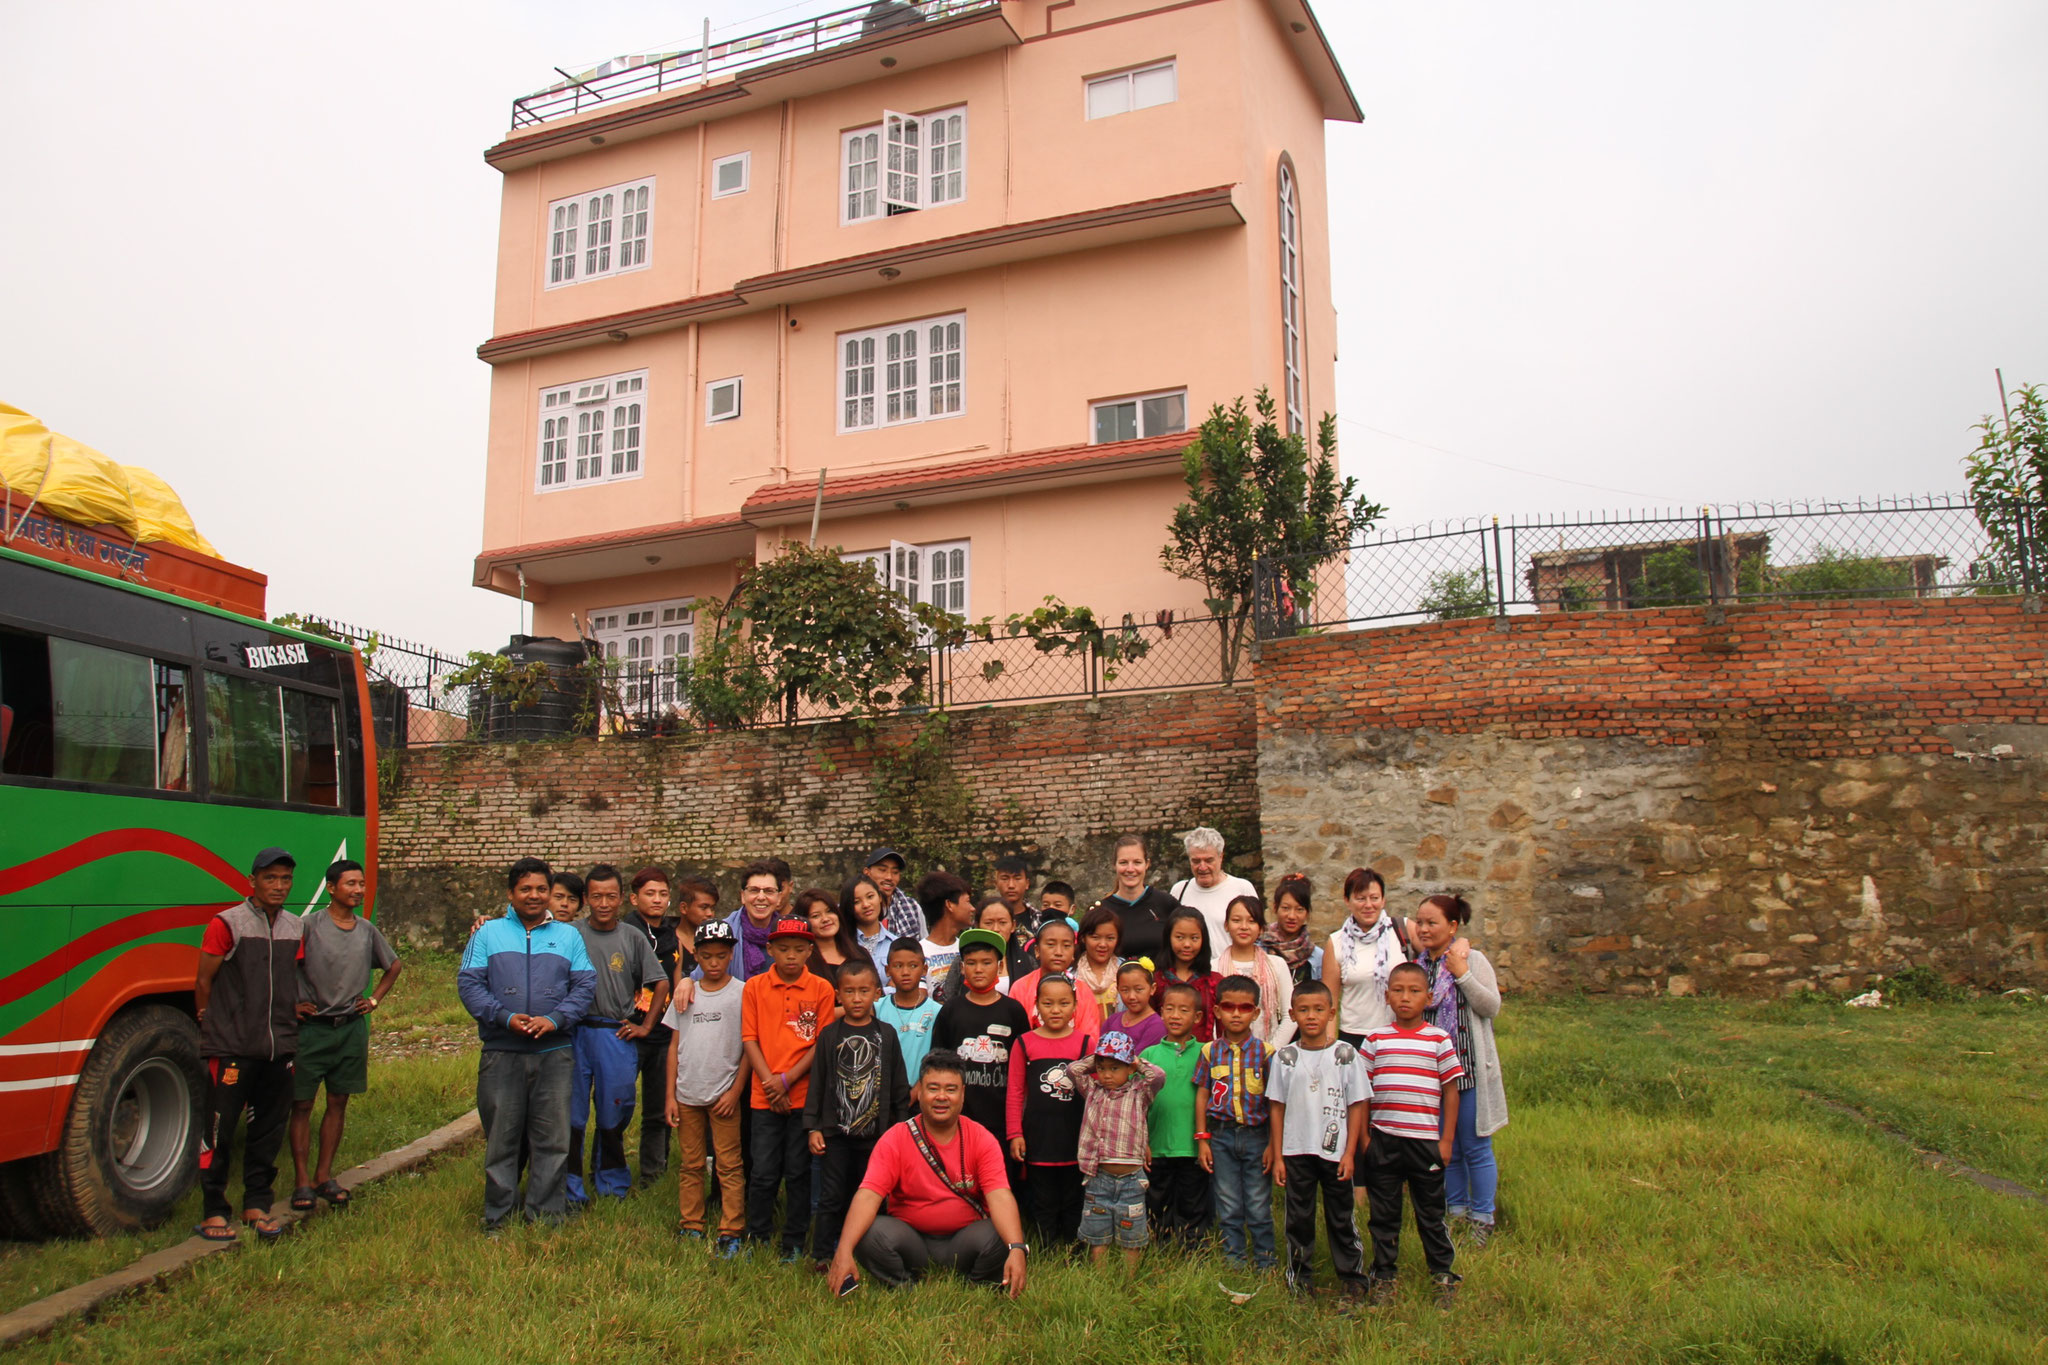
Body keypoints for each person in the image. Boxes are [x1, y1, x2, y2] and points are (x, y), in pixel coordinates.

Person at [458, 857, 596, 1232]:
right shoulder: (487, 934)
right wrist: (504, 1017)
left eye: (541, 889)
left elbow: (585, 986)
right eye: (525, 889)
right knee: (501, 1138)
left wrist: (554, 1020)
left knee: (552, 1139)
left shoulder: (569, 937)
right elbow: (469, 984)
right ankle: (498, 1217)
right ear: (510, 893)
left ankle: (547, 1215)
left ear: (550, 893)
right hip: (502, 1052)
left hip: (554, 1052)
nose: (534, 896)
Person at [824, 1050, 1029, 1296]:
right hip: (911, 1241)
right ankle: (906, 1287)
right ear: (919, 1092)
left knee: (1001, 1234)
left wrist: (1017, 1248)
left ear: (963, 1094)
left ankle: (974, 1286)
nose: (941, 1097)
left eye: (951, 1089)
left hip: (966, 1240)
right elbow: (868, 1195)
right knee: (869, 1233)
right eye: (933, 1088)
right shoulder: (896, 1138)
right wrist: (843, 1251)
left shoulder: (982, 1138)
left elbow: (1000, 1196)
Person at [193, 847, 308, 1242]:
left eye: (286, 879)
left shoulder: (296, 926)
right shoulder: (228, 923)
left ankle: (257, 1205)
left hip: (279, 1048)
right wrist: (210, 1021)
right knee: (220, 1130)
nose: (279, 886)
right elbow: (204, 979)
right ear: (252, 881)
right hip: (232, 1046)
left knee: (268, 1132)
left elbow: (292, 979)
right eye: (271, 878)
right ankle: (213, 1211)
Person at [288, 857, 403, 1213]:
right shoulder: (307, 927)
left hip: (349, 1029)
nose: (357, 890)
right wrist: (293, 1003)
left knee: (339, 1101)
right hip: (311, 1031)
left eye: (361, 884)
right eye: (350, 884)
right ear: (331, 887)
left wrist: (373, 999)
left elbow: (393, 965)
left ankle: (325, 1176)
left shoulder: (366, 930)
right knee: (303, 1104)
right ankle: (301, 1181)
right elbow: (283, 966)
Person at [1360, 962, 1464, 1307]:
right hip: (1384, 1140)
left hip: (1425, 1143)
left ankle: (1442, 1273)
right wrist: (1364, 1140)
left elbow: (1451, 1091)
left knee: (1431, 1211)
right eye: (1398, 990)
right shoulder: (1375, 1039)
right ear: (1387, 995)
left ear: (1428, 997)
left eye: (1415, 991)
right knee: (1384, 1212)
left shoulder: (1439, 1039)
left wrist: (1445, 1141)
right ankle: (1384, 1273)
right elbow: (1361, 1093)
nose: (1406, 997)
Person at [1409, 894, 1506, 1250]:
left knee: (1475, 1145)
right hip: (1433, 1077)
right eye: (1421, 922)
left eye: (1432, 922)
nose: (1424, 928)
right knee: (1443, 1149)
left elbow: (1491, 1006)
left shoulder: (1472, 960)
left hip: (1469, 1072)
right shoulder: (1418, 966)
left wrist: (1462, 975)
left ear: (1453, 926)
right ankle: (1456, 1209)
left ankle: (1483, 1217)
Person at [741, 916, 839, 1259]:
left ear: (810, 951)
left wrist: (787, 1081)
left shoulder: (822, 989)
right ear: (770, 950)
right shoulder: (754, 987)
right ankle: (757, 1235)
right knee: (764, 1170)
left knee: (798, 1171)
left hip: (803, 1095)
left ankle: (794, 1241)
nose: (791, 956)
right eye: (783, 949)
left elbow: (820, 1043)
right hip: (763, 1094)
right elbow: (749, 1039)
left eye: (799, 949)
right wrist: (771, 1083)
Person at [567, 870, 668, 1202]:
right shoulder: (571, 934)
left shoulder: (632, 937)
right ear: (586, 899)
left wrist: (646, 1025)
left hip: (615, 1033)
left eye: (611, 896)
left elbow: (661, 981)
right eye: (596, 896)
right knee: (573, 1112)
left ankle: (610, 1180)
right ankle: (569, 1186)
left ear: (622, 897)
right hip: (575, 1032)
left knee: (615, 1109)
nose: (604, 903)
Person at [1268, 980, 1371, 1302]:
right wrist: (1280, 1156)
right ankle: (1300, 1279)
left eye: (1318, 1010)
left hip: (1336, 1153)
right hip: (1297, 1150)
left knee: (1341, 1216)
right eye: (1303, 1010)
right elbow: (1276, 1106)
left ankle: (1352, 1278)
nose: (1311, 1017)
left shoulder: (1346, 1055)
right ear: (1292, 1014)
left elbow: (1357, 1105)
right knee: (1298, 1218)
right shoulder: (1285, 1057)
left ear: (1331, 1012)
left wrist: (1350, 1153)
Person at [806, 960, 911, 1262]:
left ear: (877, 993)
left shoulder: (887, 1035)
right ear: (838, 995)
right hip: (836, 1134)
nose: (856, 998)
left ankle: (870, 1252)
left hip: (876, 1136)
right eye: (849, 992)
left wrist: (899, 1128)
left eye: (863, 991)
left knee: (873, 1195)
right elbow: (817, 1083)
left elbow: (899, 1087)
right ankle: (824, 1255)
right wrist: (813, 1127)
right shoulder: (829, 1035)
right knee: (831, 1196)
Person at [663, 920, 748, 1254]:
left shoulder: (741, 994)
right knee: (692, 1163)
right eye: (707, 956)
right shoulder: (687, 992)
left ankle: (731, 1228)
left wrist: (735, 1092)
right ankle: (691, 1224)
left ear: (731, 955)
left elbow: (748, 1048)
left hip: (724, 1093)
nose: (714, 963)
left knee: (729, 1164)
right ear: (695, 955)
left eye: (721, 956)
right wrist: (669, 1095)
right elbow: (674, 1046)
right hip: (687, 1094)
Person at [1067, 1031, 1166, 1273]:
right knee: (1097, 1232)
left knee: (1131, 1234)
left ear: (1128, 1069)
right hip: (1098, 1178)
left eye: (1114, 1068)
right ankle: (1101, 1278)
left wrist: (1134, 1061)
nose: (1107, 1075)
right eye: (1102, 1068)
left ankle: (1128, 1279)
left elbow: (1159, 1076)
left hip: (1131, 1179)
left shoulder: (1139, 1092)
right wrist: (1098, 1057)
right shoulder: (1093, 1090)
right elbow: (1073, 1071)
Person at [1198, 976, 1277, 1270]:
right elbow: (1202, 1094)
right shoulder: (1209, 1052)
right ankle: (1234, 1261)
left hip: (1257, 1137)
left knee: (1258, 1203)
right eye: (1228, 1007)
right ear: (1217, 1010)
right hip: (1221, 1136)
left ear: (1255, 1013)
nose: (1235, 1014)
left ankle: (1265, 1262)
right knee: (1228, 1202)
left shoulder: (1267, 1054)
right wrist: (1202, 1138)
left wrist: (1273, 1144)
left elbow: (1275, 1101)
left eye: (1244, 1008)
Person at [1005, 975, 1090, 1246]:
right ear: (1036, 1005)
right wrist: (1015, 1134)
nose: (1056, 1010)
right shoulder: (1024, 1043)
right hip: (1038, 1137)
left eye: (1064, 1003)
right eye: (1048, 1003)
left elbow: (1095, 1096)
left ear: (1075, 1006)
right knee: (1043, 1199)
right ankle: (1046, 1249)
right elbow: (1016, 1092)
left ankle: (1073, 1249)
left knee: (1073, 1198)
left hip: (1075, 1137)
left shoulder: (1085, 1044)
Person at [930, 928, 1030, 1140]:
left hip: (1001, 1122)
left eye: (987, 962)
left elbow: (1022, 1070)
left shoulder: (1014, 1011)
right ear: (962, 967)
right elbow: (937, 1063)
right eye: (972, 963)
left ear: (999, 966)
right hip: (957, 1121)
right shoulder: (950, 1010)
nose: (979, 969)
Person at [1139, 982, 1210, 1248]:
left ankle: (1193, 1251)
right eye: (1169, 1009)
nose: (1176, 1016)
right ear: (1160, 1012)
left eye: (1183, 1010)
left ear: (1198, 1017)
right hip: (1157, 1147)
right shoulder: (1148, 1055)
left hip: (1192, 1147)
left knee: (1192, 1203)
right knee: (1157, 1201)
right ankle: (1159, 1249)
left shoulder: (1206, 1052)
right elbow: (1139, 1103)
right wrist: (1143, 1141)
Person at [1326, 869, 1412, 1051]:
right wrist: (1329, 1045)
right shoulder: (1337, 941)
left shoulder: (1403, 930)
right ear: (1347, 901)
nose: (1368, 905)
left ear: (1383, 900)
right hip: (1355, 1038)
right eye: (1360, 898)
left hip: (1398, 1033)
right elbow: (1329, 1002)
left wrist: (1461, 943)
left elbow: (1438, 948)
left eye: (1374, 898)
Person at [1215, 895, 1295, 1043]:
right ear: (1226, 925)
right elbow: (1211, 1019)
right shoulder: (1214, 967)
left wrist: (1270, 1051)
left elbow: (1289, 1015)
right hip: (1224, 1055)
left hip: (1268, 1052)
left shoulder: (1277, 965)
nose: (1244, 927)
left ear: (1261, 928)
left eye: (1251, 921)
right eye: (1236, 920)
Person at [1092, 835, 1179, 966]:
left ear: (1147, 864)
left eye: (1137, 862)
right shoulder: (1101, 911)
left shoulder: (1166, 904)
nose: (1130, 869)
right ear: (1114, 864)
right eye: (1123, 862)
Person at [1168, 827, 1259, 949]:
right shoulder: (1179, 891)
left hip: (1230, 966)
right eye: (1196, 861)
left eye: (1209, 860)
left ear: (1221, 857)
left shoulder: (1242, 888)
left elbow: (1255, 934)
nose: (1202, 867)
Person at [1008, 918, 1087, 1038]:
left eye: (1066, 946)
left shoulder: (1083, 991)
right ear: (1037, 950)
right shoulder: (1020, 988)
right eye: (1051, 944)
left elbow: (1089, 1038)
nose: (1059, 952)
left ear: (1073, 953)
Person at [1154, 909, 1221, 1042]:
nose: (1187, 944)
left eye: (1194, 938)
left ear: (1203, 939)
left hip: (1203, 1057)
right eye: (1179, 937)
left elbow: (1223, 1029)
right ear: (1168, 938)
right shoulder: (1156, 981)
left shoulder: (1214, 981)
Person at [916, 871, 975, 1004]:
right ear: (949, 905)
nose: (972, 909)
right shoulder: (918, 952)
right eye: (968, 902)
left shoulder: (968, 949)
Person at [801, 887, 874, 988]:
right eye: (816, 916)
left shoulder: (860, 953)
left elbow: (877, 995)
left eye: (829, 911)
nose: (825, 919)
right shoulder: (804, 962)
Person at [1261, 874, 1324, 986]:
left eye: (1299, 909)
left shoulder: (1317, 956)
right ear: (1275, 908)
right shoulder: (1260, 949)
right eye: (1286, 908)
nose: (1292, 916)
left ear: (1307, 913)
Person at [1074, 903, 1123, 1025]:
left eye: (1110, 938)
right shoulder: (1070, 975)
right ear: (1083, 938)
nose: (1102, 944)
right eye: (1095, 937)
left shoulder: (1126, 971)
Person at [864, 847, 927, 942]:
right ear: (867, 873)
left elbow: (924, 946)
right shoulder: (857, 908)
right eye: (882, 870)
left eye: (895, 872)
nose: (889, 877)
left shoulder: (912, 908)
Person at [1102, 960, 1164, 1053]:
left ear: (1152, 989)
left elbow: (1139, 1060)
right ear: (1118, 989)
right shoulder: (1112, 1020)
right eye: (1125, 990)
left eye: (1138, 989)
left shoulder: (1156, 1025)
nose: (1131, 996)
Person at [669, 873, 721, 981]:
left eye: (712, 908)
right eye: (704, 907)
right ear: (684, 908)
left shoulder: (718, 939)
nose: (709, 913)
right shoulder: (666, 941)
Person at [840, 873, 894, 972]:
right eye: (856, 902)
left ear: (880, 897)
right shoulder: (842, 944)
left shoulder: (895, 943)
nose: (866, 905)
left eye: (870, 897)